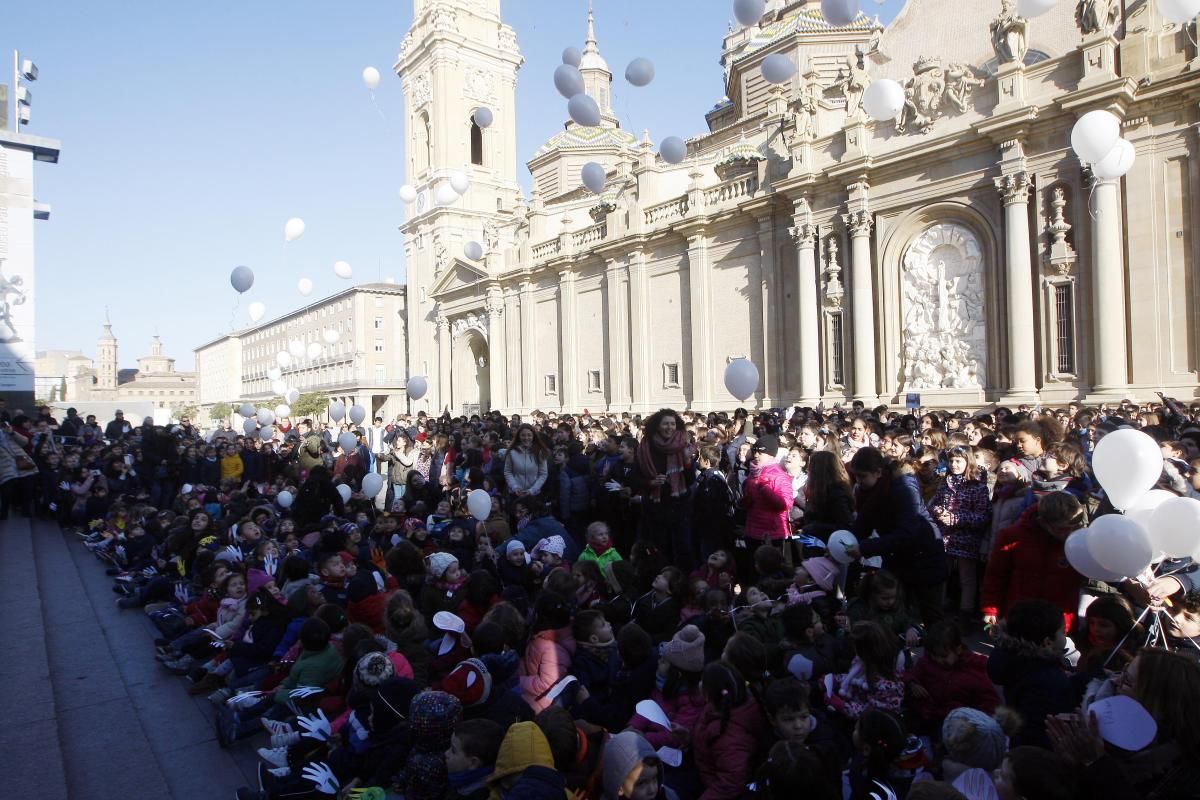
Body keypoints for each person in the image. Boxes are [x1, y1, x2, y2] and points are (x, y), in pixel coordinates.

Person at [847, 447, 947, 626]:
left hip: (925, 557)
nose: (858, 481)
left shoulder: (903, 487)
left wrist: (864, 548)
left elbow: (907, 532)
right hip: (898, 558)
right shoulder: (869, 492)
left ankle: (940, 652)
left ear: (878, 472)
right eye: (856, 476)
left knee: (931, 617)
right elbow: (864, 522)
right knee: (896, 616)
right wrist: (843, 544)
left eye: (862, 476)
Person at [980, 491, 1086, 632]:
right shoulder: (1011, 536)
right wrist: (990, 609)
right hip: (1021, 617)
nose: (1068, 533)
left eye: (1073, 527)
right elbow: (996, 576)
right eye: (1061, 529)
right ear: (1043, 522)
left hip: (1059, 622)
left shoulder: (1081, 541)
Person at [636, 409, 695, 571]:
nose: (669, 427)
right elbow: (636, 478)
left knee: (682, 547)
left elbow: (690, 480)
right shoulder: (645, 446)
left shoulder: (683, 444)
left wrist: (688, 461)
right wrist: (651, 482)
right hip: (655, 507)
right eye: (665, 424)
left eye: (672, 423)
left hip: (679, 506)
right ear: (657, 426)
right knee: (660, 548)